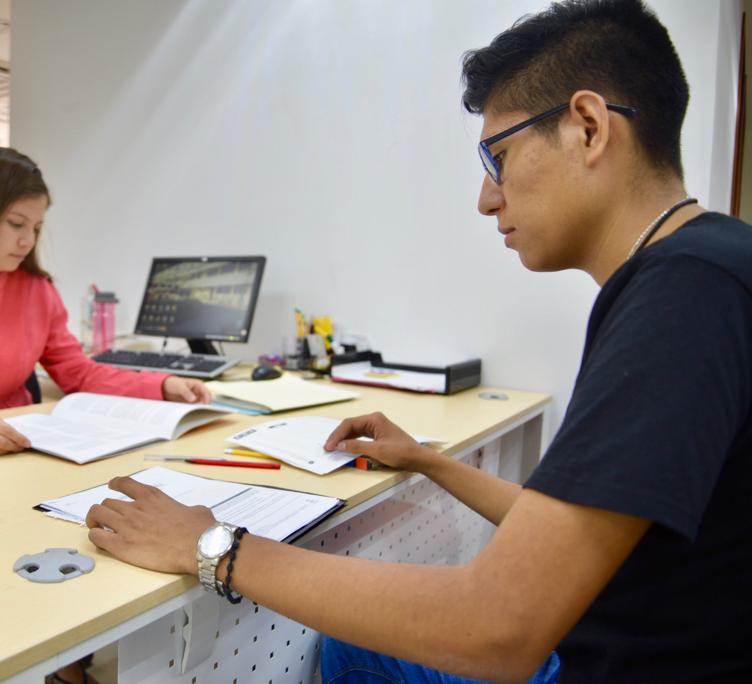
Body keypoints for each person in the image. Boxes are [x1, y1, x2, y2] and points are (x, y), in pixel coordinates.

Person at [81, 1, 752, 682]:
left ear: (588, 126)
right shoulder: (708, 265)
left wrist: (212, 545)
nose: (487, 199)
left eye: (499, 155)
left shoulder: (684, 295)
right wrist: (428, 461)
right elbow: (583, 532)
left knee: (354, 654)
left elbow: (499, 626)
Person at [0, 146, 210, 456]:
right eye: (17, 224)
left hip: (20, 449)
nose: (28, 240)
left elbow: (78, 373)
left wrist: (161, 385)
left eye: (36, 228)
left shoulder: (36, 290)